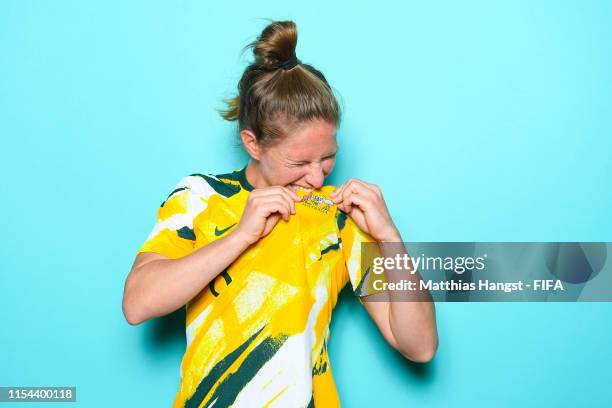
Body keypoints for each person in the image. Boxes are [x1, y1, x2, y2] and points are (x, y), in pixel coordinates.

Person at [122, 20, 438, 408]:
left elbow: (419, 347)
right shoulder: (201, 196)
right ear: (252, 144)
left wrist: (390, 238)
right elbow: (138, 304)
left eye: (328, 157)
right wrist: (240, 235)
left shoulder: (340, 218)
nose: (317, 174)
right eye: (299, 161)